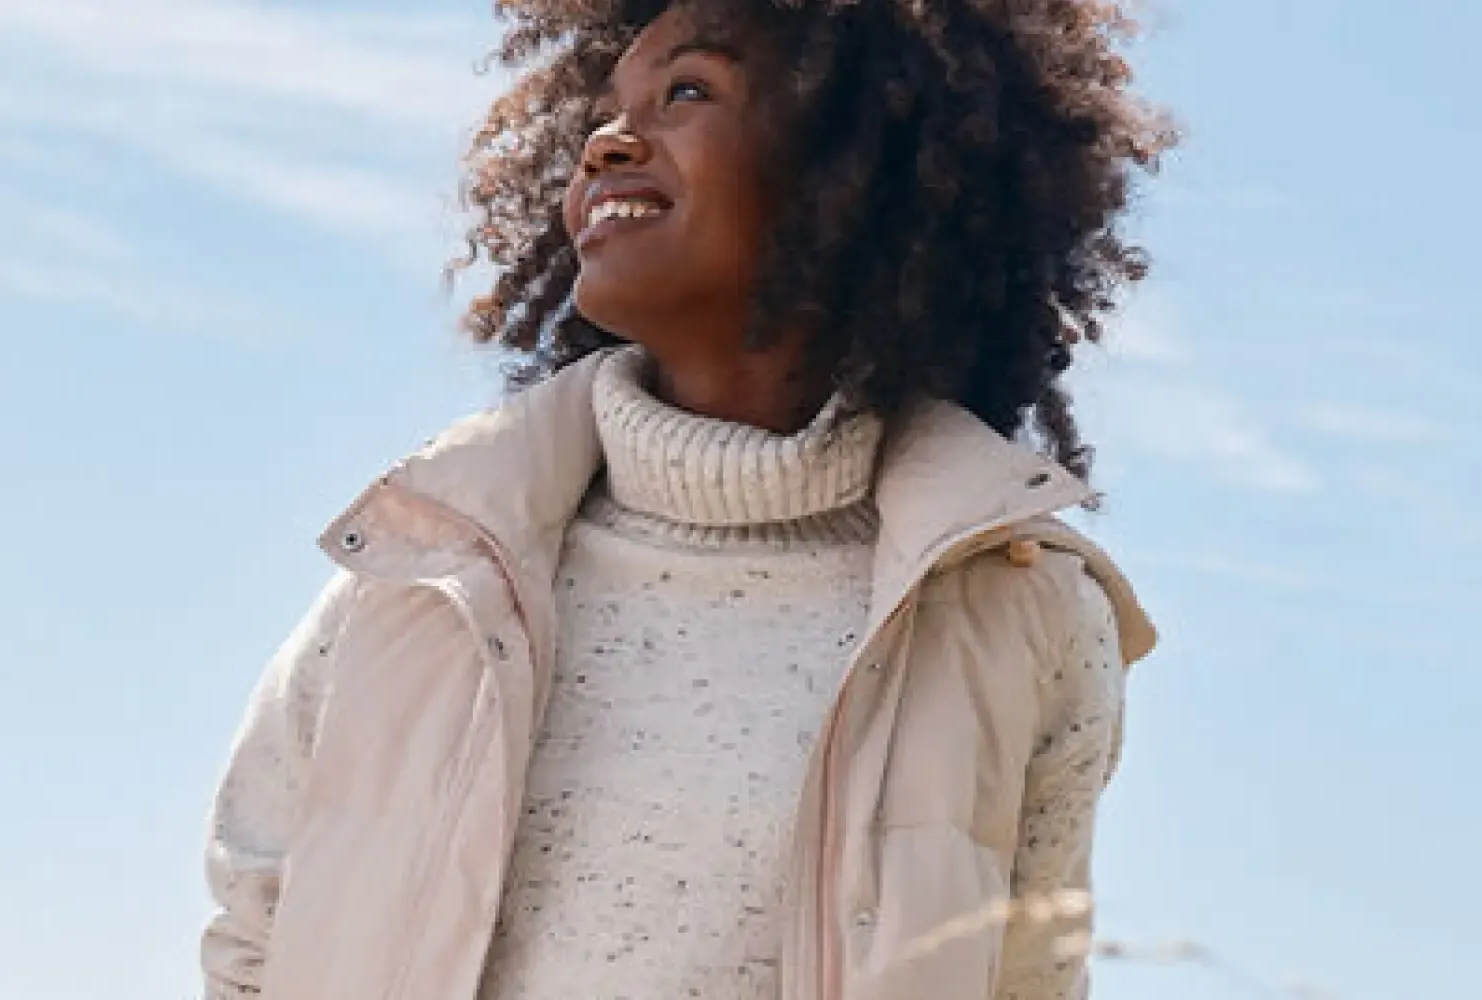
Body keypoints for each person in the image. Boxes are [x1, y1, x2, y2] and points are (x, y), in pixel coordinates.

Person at [198, 1, 1171, 999]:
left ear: (851, 168)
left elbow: (1023, 984)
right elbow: (250, 931)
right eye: (606, 111)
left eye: (687, 92)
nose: (609, 141)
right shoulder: (423, 568)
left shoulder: (1023, 609)